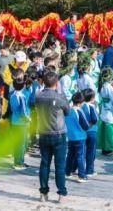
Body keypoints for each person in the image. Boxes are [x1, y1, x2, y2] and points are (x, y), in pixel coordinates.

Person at [36, 70, 71, 203]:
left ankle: (43, 192)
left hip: (44, 132)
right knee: (60, 166)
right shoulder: (60, 97)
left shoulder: (38, 96)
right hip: (58, 133)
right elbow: (68, 111)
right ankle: (61, 193)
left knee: (44, 164)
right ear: (56, 83)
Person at [8, 70, 31, 170]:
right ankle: (19, 162)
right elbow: (24, 111)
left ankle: (16, 161)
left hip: (14, 121)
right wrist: (28, 119)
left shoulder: (12, 95)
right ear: (23, 86)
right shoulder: (22, 97)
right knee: (22, 143)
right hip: (21, 123)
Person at [65, 91, 89, 182]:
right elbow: (85, 125)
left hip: (70, 137)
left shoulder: (68, 111)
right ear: (80, 102)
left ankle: (67, 172)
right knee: (80, 156)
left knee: (70, 155)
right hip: (80, 137)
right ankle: (82, 175)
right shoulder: (79, 111)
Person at [97, 67, 113, 156]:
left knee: (104, 127)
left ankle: (104, 147)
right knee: (111, 130)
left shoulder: (102, 85)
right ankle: (110, 148)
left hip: (104, 108)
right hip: (110, 109)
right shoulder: (108, 86)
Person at [81, 88, 99, 176]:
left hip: (83, 132)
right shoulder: (92, 106)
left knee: (82, 151)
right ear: (92, 98)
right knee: (91, 151)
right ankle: (89, 170)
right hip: (92, 131)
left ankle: (81, 169)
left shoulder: (81, 106)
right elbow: (95, 118)